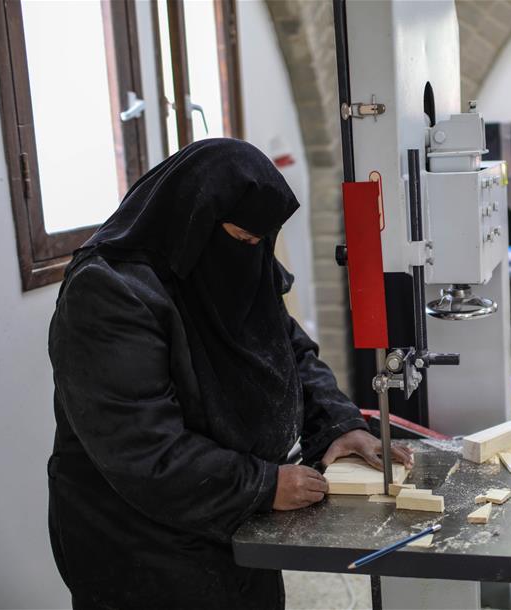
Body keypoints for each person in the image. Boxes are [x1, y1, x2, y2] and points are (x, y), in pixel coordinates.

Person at [47, 138, 413, 609]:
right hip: (139, 546)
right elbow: (143, 452)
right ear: (195, 222)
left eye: (261, 242)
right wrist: (262, 485)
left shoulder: (234, 262)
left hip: (233, 519)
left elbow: (289, 352)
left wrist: (339, 425)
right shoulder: (109, 296)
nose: (251, 253)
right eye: (241, 240)